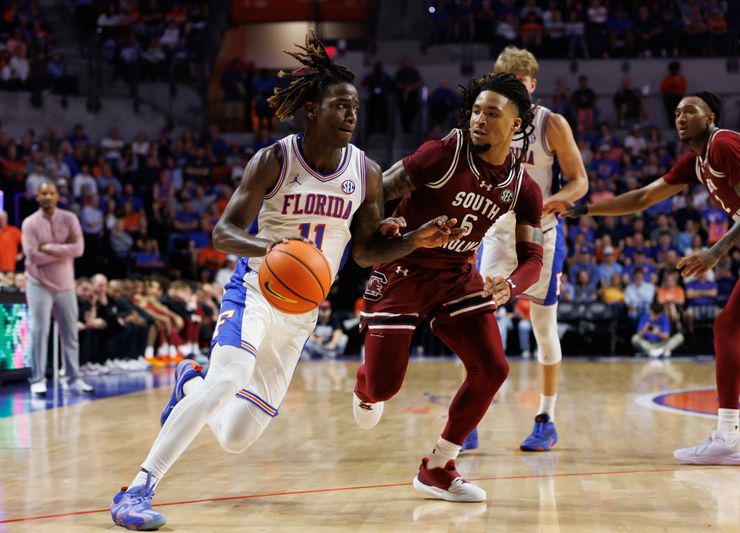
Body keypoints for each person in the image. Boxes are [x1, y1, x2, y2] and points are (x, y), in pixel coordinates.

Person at [108, 34, 462, 531]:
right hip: (254, 290)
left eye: (356, 107)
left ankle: (190, 386)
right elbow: (223, 232)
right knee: (229, 378)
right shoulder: (274, 160)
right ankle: (138, 488)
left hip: (302, 312)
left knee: (234, 436)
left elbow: (364, 251)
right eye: (341, 106)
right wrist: (268, 250)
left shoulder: (367, 172)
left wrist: (416, 241)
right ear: (312, 110)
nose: (351, 115)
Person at [558, 92, 740, 465]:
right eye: (676, 112)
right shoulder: (696, 162)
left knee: (726, 326)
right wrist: (585, 209)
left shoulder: (724, 143)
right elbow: (643, 198)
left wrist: (715, 251)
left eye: (690, 110)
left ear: (711, 115)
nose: (681, 117)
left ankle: (729, 437)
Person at [352, 71, 545, 502]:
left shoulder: (522, 187)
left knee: (493, 368)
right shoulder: (444, 154)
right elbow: (376, 191)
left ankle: (438, 465)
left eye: (491, 113)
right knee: (383, 386)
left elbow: (533, 259)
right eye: (476, 110)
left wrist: (509, 287)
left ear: (516, 123)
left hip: (457, 275)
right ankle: (365, 388)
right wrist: (386, 223)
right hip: (403, 267)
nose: (479, 119)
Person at [470, 47, 588, 452]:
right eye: (505, 84)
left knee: (543, 327)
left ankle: (546, 418)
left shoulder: (550, 124)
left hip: (541, 232)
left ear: (532, 85)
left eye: (520, 84)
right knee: (475, 318)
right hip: (495, 230)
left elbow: (580, 182)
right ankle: (469, 417)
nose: (513, 90)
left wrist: (557, 199)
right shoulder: (487, 121)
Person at [21, 182, 94, 396]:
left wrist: (49, 248)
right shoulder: (30, 223)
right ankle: (38, 379)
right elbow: (32, 256)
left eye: (51, 193)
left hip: (65, 285)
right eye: (43, 193)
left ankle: (73, 379)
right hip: (38, 283)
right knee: (38, 331)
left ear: (57, 196)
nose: (47, 196)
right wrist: (65, 250)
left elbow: (79, 249)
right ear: (37, 197)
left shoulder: (69, 218)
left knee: (70, 333)